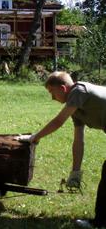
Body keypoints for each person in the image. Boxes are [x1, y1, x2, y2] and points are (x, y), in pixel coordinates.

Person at [24, 71, 106, 228]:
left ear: (62, 88)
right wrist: (75, 172)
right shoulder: (76, 106)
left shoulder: (79, 91)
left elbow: (58, 122)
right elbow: (79, 140)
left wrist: (35, 136)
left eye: (51, 92)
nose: (52, 98)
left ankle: (100, 222)